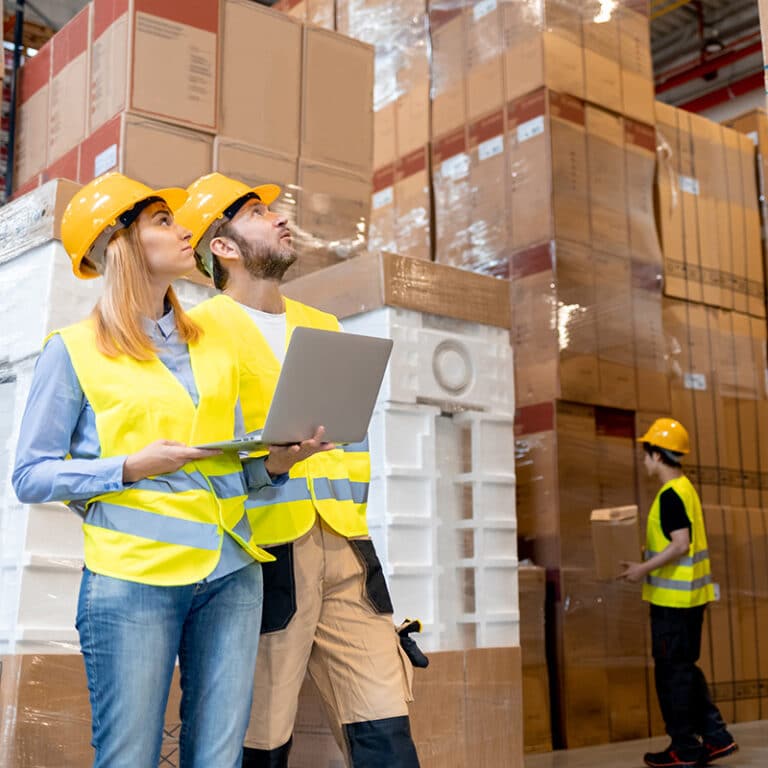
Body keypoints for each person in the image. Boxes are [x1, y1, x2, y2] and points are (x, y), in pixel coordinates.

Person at [12, 172, 329, 768]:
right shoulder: (74, 349)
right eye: (163, 221)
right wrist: (128, 468)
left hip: (232, 574)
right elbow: (31, 474)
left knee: (217, 759)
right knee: (129, 757)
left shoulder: (213, 342)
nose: (186, 231)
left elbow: (227, 468)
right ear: (120, 242)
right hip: (133, 584)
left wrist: (277, 465)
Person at [175, 173, 421, 768]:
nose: (280, 216)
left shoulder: (323, 324)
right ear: (224, 246)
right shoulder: (201, 332)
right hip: (264, 558)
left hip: (345, 546)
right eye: (259, 212)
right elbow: (195, 450)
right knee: (261, 736)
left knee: (385, 726)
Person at [620, 418, 738, 768]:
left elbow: (680, 545)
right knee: (684, 670)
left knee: (672, 675)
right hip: (691, 600)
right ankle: (715, 737)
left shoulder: (670, 495)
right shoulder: (686, 488)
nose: (644, 462)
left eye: (646, 454)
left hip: (673, 604)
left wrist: (641, 569)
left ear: (657, 455)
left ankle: (684, 749)